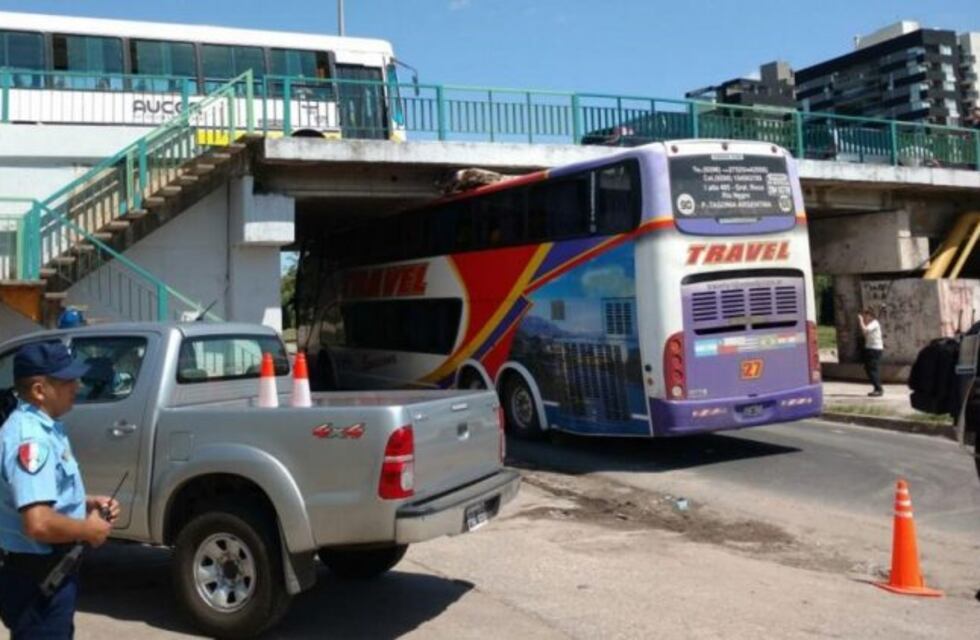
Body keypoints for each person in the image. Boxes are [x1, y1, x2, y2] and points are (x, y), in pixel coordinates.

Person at [0, 341, 120, 638]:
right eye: (67, 381)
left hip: (46, 571)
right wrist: (87, 530)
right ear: (40, 390)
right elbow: (38, 523)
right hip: (37, 576)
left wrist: (85, 502)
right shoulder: (31, 438)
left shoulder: (43, 428)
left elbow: (37, 496)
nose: (76, 386)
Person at [858, 307, 884, 397]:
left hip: (874, 349)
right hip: (870, 349)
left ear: (870, 315)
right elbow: (865, 334)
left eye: (865, 315)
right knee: (869, 369)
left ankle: (878, 389)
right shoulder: (871, 324)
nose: (864, 317)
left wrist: (860, 321)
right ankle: (877, 388)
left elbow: (864, 330)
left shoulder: (874, 323)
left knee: (872, 370)